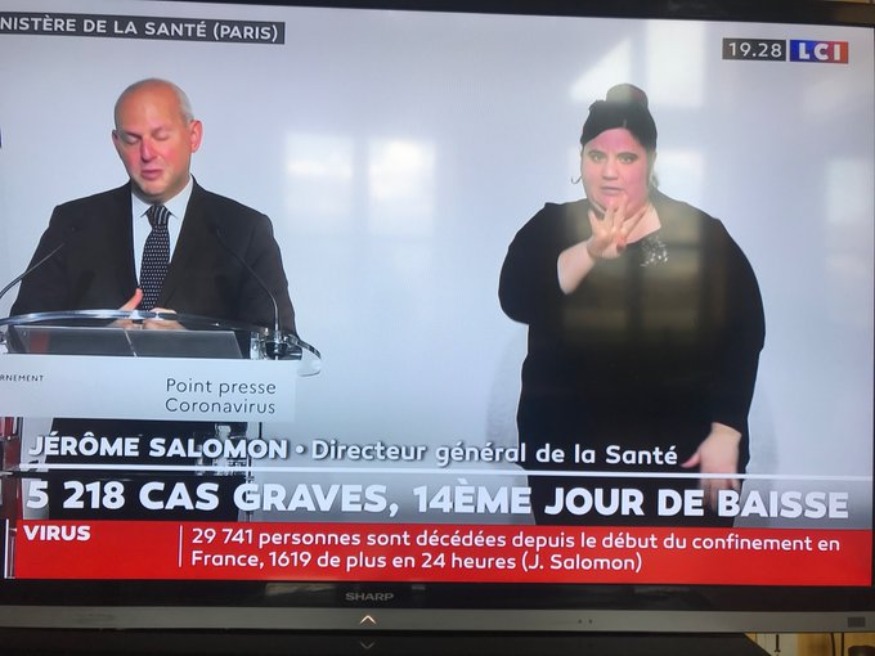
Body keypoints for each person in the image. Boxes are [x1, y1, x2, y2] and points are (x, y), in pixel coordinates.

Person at [10, 78, 296, 519]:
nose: (147, 153)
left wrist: (193, 344)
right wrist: (100, 339)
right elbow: (22, 335)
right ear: (116, 144)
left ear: (193, 136)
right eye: (132, 139)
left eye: (161, 136)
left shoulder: (243, 229)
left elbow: (281, 347)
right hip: (87, 464)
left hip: (201, 468)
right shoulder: (74, 222)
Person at [498, 84, 765, 526]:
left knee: (684, 570)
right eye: (596, 155)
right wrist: (590, 252)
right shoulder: (548, 227)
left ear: (651, 161)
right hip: (573, 459)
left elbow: (744, 332)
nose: (609, 172)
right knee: (581, 570)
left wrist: (726, 430)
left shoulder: (701, 234)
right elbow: (517, 299)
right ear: (580, 159)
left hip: (683, 458)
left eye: (626, 158)